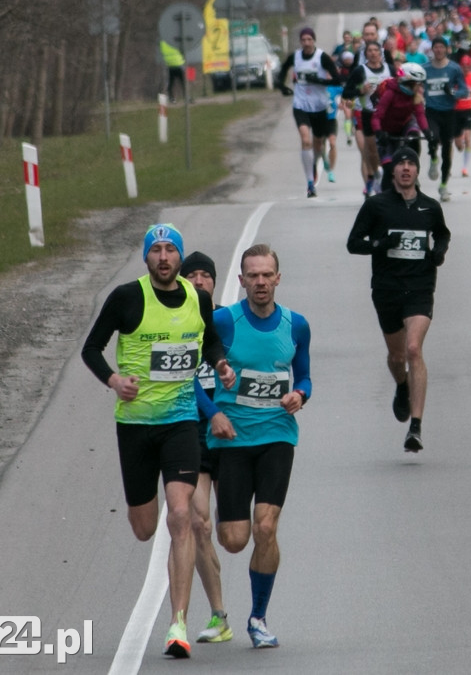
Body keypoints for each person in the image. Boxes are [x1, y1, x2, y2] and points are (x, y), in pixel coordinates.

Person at [81, 224, 237, 659]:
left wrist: (221, 364)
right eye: (157, 250)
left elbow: (209, 341)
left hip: (182, 422)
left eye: (171, 250)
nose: (164, 257)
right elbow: (91, 348)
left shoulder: (198, 297)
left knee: (182, 514)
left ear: (179, 258)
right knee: (145, 526)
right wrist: (113, 379)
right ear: (147, 258)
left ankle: (178, 623)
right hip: (135, 426)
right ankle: (179, 615)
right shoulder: (127, 298)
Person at [198, 243, 312, 650]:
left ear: (278, 279)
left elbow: (305, 376)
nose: (261, 282)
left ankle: (258, 617)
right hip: (231, 440)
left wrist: (300, 395)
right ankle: (231, 512)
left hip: (278, 435)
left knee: (266, 526)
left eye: (268, 275)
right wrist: (213, 413)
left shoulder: (296, 325)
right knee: (233, 539)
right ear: (242, 280)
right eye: (253, 276)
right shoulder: (224, 321)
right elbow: (192, 374)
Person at [346, 148, 451, 453]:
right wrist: (380, 244)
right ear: (392, 173)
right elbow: (354, 243)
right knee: (397, 357)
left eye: (411, 164)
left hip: (420, 286)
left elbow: (443, 234)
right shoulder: (376, 205)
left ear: (417, 171)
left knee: (414, 348)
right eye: (401, 165)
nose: (406, 169)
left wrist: (439, 252)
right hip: (387, 289)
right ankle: (402, 385)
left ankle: (415, 428)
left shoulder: (430, 207)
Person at [180, 251, 233, 645]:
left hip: (233, 434)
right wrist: (209, 410)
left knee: (234, 534)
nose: (199, 281)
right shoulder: (177, 325)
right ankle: (219, 614)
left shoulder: (229, 322)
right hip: (193, 431)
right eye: (192, 275)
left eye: (205, 275)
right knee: (197, 524)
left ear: (214, 283)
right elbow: (183, 376)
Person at [277, 27, 342, 198]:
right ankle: (310, 183)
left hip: (319, 107)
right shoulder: (295, 57)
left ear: (314, 41)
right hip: (300, 105)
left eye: (309, 40)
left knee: (317, 145)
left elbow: (337, 79)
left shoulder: (322, 57)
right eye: (303, 40)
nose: (306, 43)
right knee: (305, 140)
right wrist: (282, 86)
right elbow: (283, 69)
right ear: (300, 42)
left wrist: (319, 80)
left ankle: (314, 164)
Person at [342, 40, 393, 198]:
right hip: (368, 113)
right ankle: (376, 175)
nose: (372, 53)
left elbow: (401, 84)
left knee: (388, 147)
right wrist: (360, 89)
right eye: (369, 51)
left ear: (380, 53)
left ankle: (386, 176)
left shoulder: (389, 69)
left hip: (387, 115)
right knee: (370, 150)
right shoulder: (360, 71)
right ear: (366, 54)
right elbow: (346, 93)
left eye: (375, 50)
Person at [373, 62, 431, 192]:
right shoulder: (390, 93)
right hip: (386, 130)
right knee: (389, 168)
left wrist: (427, 132)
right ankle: (385, 199)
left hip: (405, 125)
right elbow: (377, 116)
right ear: (408, 82)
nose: (420, 87)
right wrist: (379, 132)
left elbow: (420, 115)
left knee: (414, 135)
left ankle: (413, 167)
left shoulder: (415, 96)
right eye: (418, 84)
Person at [423, 37, 469, 202]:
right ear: (432, 49)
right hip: (431, 111)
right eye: (436, 47)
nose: (439, 50)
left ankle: (443, 186)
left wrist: (453, 93)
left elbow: (464, 90)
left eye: (442, 47)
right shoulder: (425, 68)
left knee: (447, 150)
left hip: (449, 112)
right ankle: (433, 158)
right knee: (433, 136)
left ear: (447, 49)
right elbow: (416, 86)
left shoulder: (454, 69)